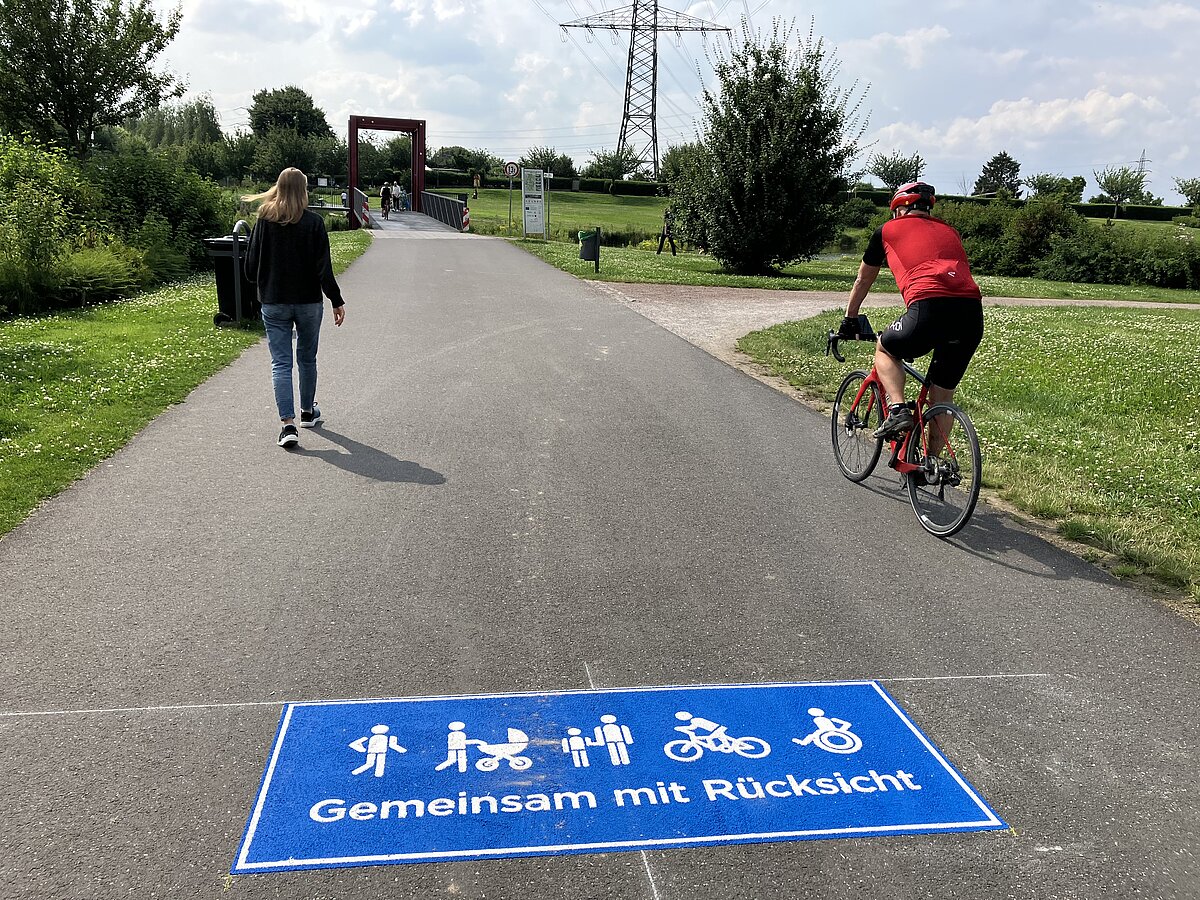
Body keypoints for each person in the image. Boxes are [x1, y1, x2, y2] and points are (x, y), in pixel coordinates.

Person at [839, 181, 983, 441]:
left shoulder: (887, 230)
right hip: (971, 314)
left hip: (928, 308)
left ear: (898, 209)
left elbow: (863, 279)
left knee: (885, 348)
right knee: (942, 396)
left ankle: (897, 410)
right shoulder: (950, 231)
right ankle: (934, 462)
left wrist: (850, 318)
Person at [243, 167, 346, 448]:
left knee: (281, 363)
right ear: (303, 190)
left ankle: (288, 425)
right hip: (308, 301)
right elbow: (323, 268)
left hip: (274, 300)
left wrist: (263, 280)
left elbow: (250, 267)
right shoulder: (314, 223)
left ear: (278, 187)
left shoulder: (264, 221)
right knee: (307, 359)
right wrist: (336, 300)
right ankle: (307, 412)